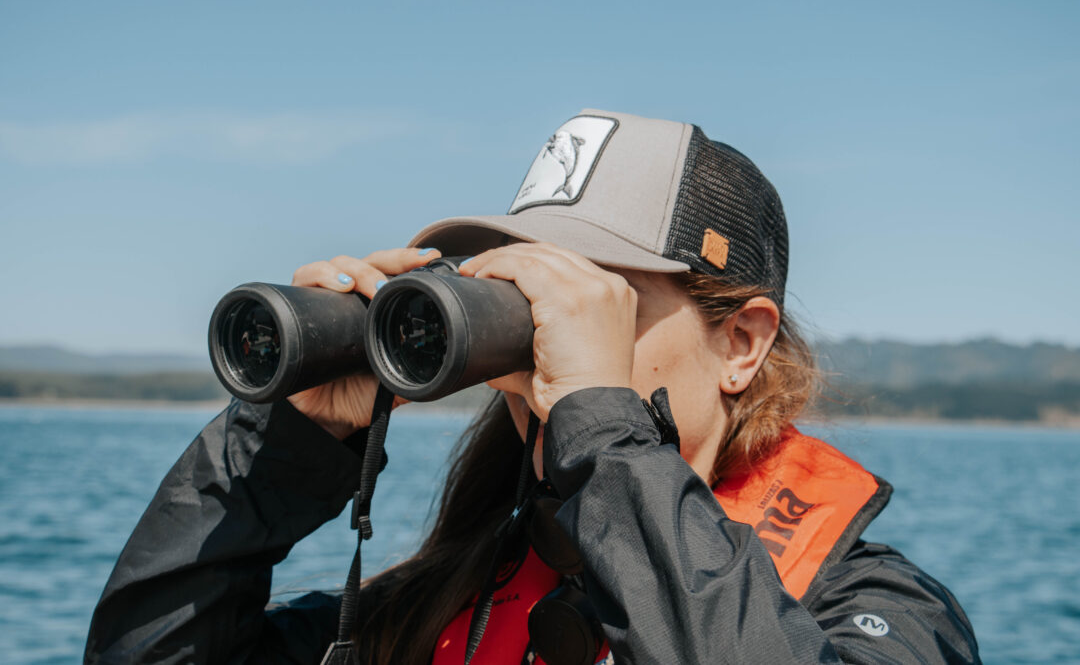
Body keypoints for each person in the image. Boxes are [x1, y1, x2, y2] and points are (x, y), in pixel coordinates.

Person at [85, 110, 980, 664]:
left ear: (742, 342)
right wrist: (281, 451)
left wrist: (605, 428)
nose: (548, 337)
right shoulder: (440, 609)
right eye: (520, 296)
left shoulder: (875, 610)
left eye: (595, 298)